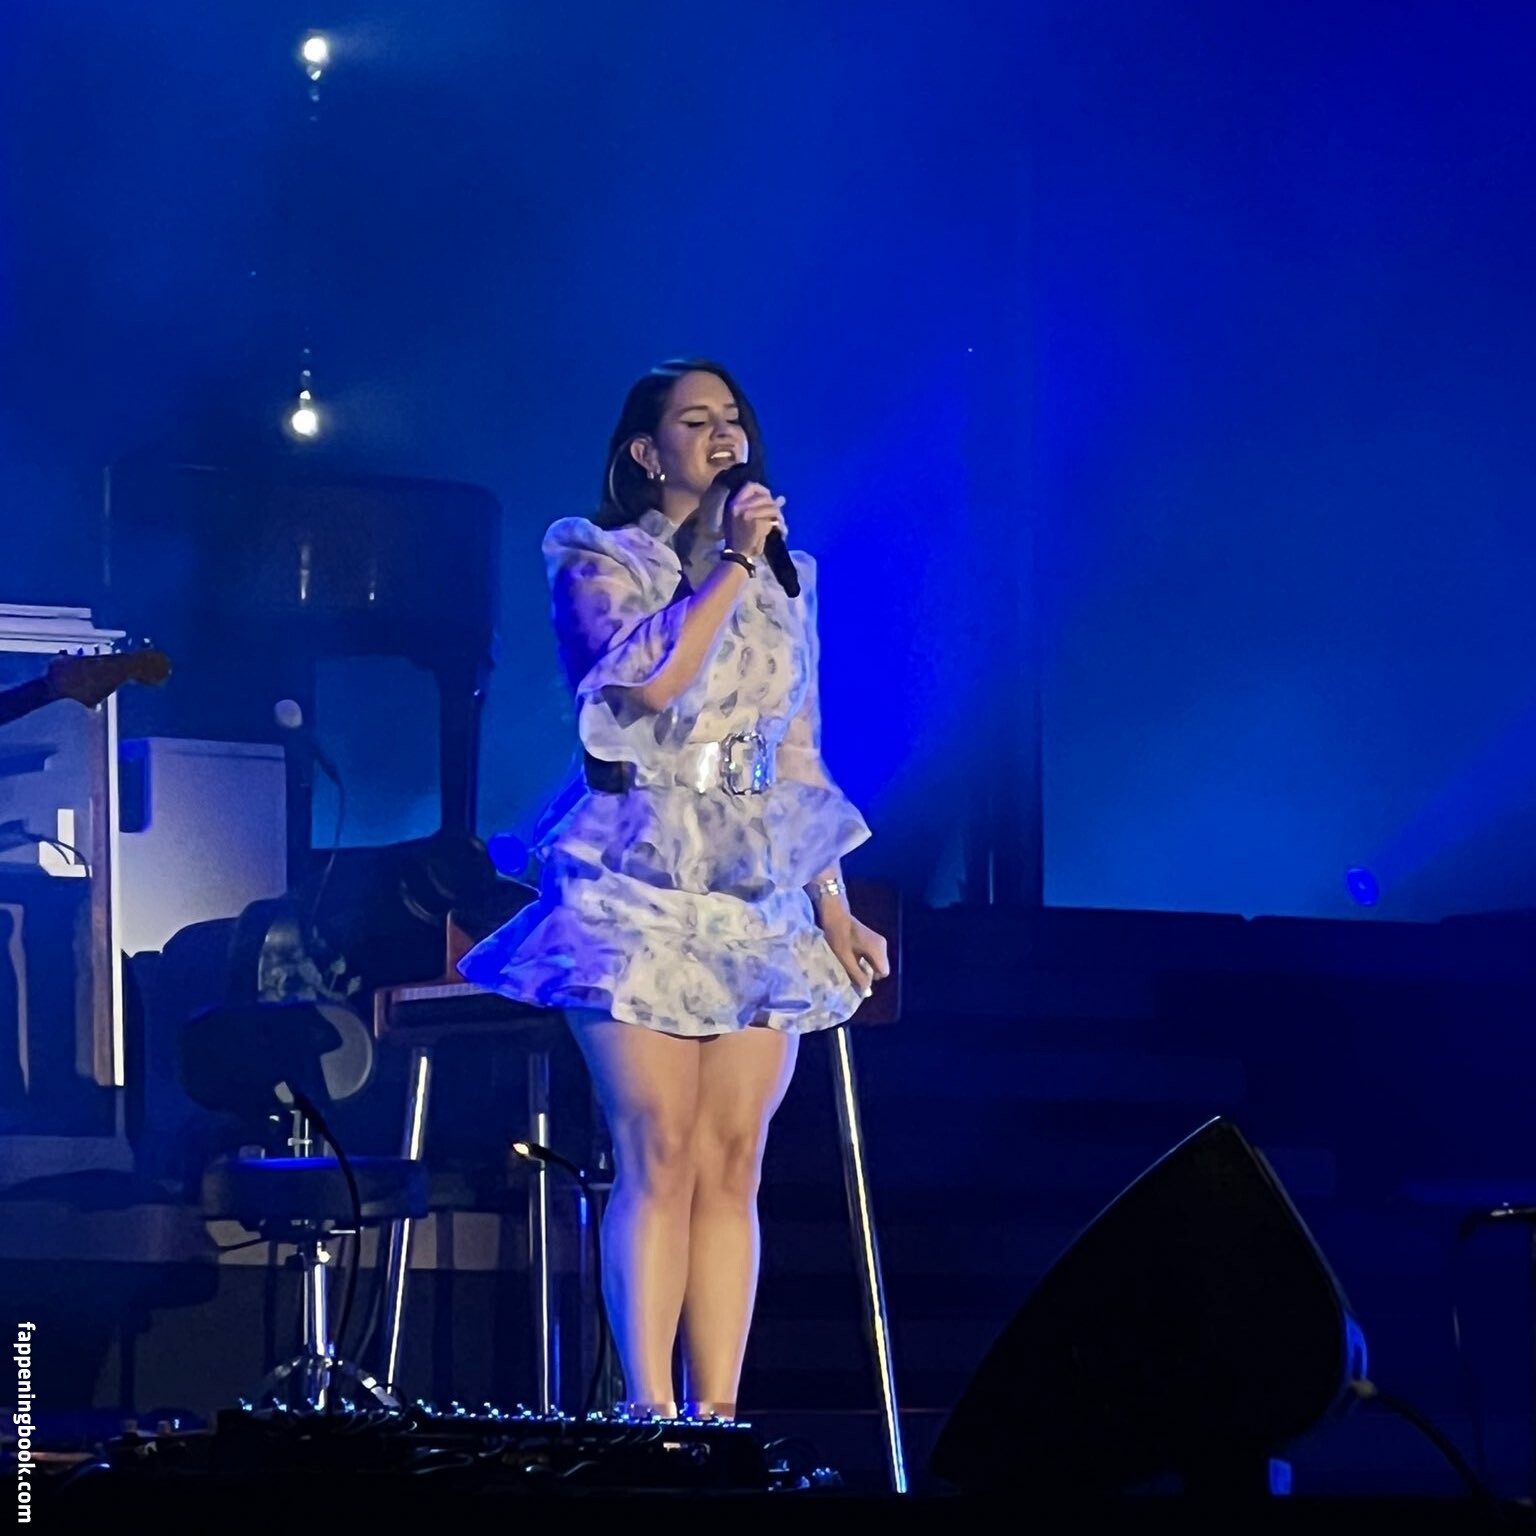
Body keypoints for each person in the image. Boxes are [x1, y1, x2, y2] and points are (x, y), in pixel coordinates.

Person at [460, 359, 889, 1420]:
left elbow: (796, 752)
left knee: (734, 1159)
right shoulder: (596, 555)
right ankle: (648, 1415)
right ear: (646, 453)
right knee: (660, 1146)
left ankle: (718, 1417)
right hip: (634, 870)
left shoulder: (791, 577)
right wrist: (731, 563)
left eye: (733, 418)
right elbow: (646, 684)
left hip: (754, 885)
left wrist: (834, 904)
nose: (723, 436)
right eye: (696, 421)